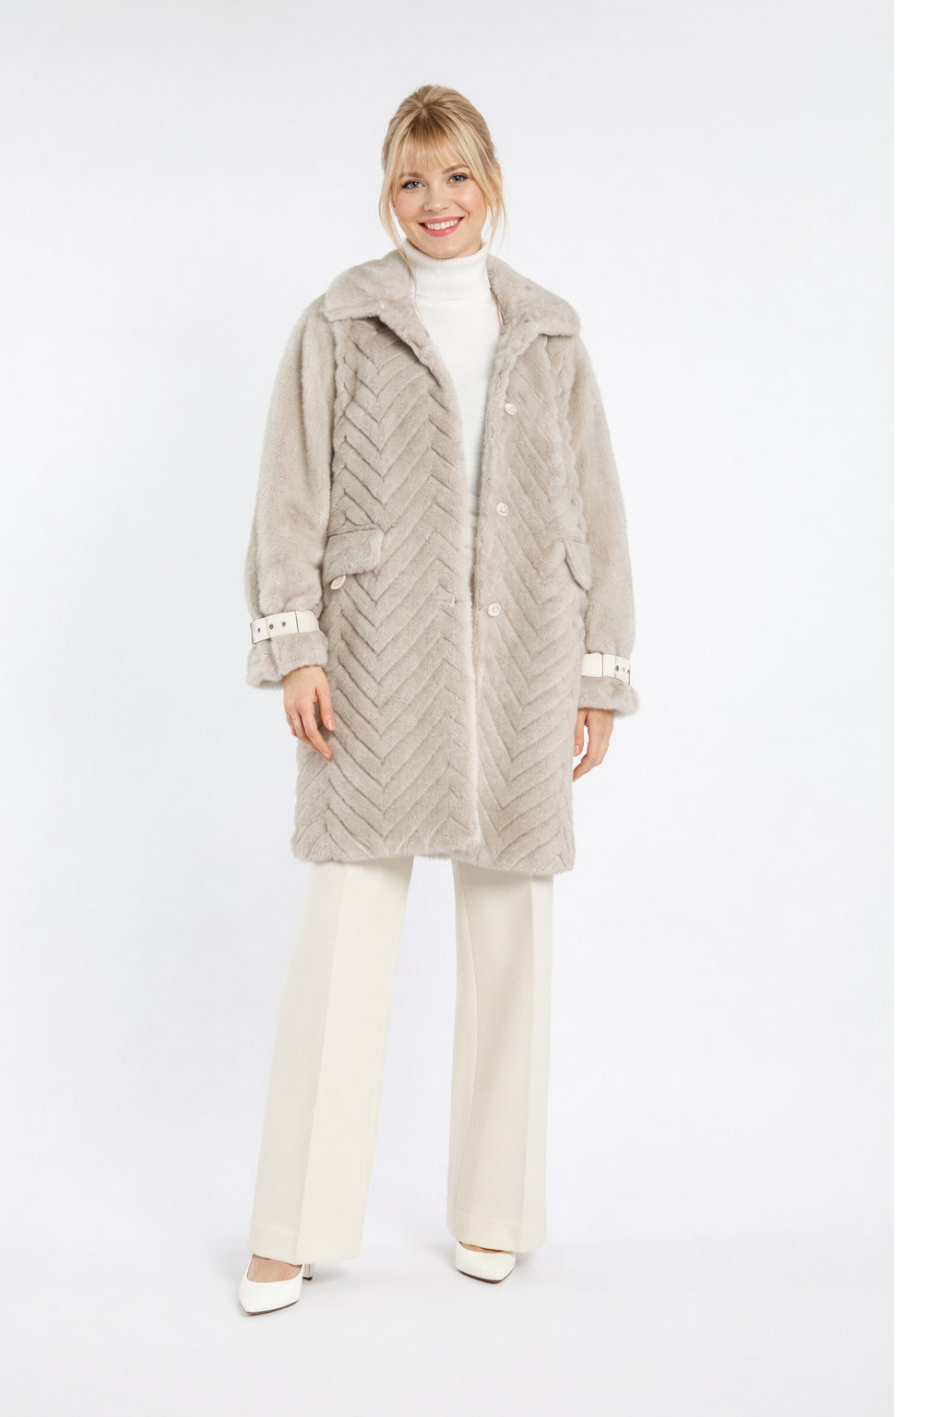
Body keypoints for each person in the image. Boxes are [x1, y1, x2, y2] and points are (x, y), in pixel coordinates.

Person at [238, 85, 637, 1314]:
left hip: (523, 657)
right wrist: (297, 647)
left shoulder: (551, 332)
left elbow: (599, 510)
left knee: (511, 933)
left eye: (456, 176)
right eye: (411, 180)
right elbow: (290, 491)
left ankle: (495, 1210)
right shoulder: (341, 320)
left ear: (491, 183)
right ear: (387, 193)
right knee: (347, 928)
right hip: (374, 657)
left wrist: (598, 669)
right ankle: (292, 1223)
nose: (435, 201)